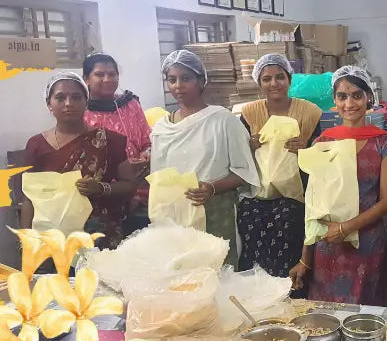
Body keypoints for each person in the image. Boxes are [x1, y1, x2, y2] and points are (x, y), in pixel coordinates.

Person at [290, 66, 387, 305]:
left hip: (367, 243)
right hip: (328, 242)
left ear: (369, 97)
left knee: (365, 314)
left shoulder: (384, 142)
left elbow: (386, 201)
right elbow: (314, 203)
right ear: (334, 101)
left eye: (356, 95)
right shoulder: (323, 141)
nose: (349, 103)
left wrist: (346, 228)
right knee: (327, 312)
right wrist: (305, 259)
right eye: (342, 96)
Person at [150, 50, 259, 265]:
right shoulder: (162, 128)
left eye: (186, 78)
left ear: (201, 81)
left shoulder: (223, 121)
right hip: (174, 217)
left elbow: (245, 173)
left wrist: (211, 187)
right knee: (178, 277)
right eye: (172, 80)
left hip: (215, 212)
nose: (178, 85)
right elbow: (158, 177)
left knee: (217, 275)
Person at [16, 73, 136, 247]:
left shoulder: (108, 140)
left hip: (98, 237)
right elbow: (28, 197)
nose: (68, 103)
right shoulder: (36, 144)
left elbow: (130, 185)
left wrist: (101, 188)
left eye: (76, 97)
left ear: (86, 102)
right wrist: (26, 241)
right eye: (60, 98)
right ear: (49, 104)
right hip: (51, 239)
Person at [236, 54, 323, 280]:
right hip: (257, 191)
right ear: (259, 83)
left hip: (297, 192)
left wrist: (305, 147)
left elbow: (323, 155)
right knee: (248, 217)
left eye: (279, 77)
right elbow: (236, 155)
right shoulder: (249, 114)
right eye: (267, 79)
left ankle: (289, 287)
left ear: (289, 79)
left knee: (289, 219)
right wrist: (249, 146)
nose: (274, 83)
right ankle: (256, 287)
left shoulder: (309, 113)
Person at [80, 53, 152, 235]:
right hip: (104, 193)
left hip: (141, 185)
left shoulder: (130, 104)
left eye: (112, 74)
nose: (108, 79)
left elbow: (148, 140)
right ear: (86, 79)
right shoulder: (80, 112)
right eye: (100, 74)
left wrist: (145, 156)